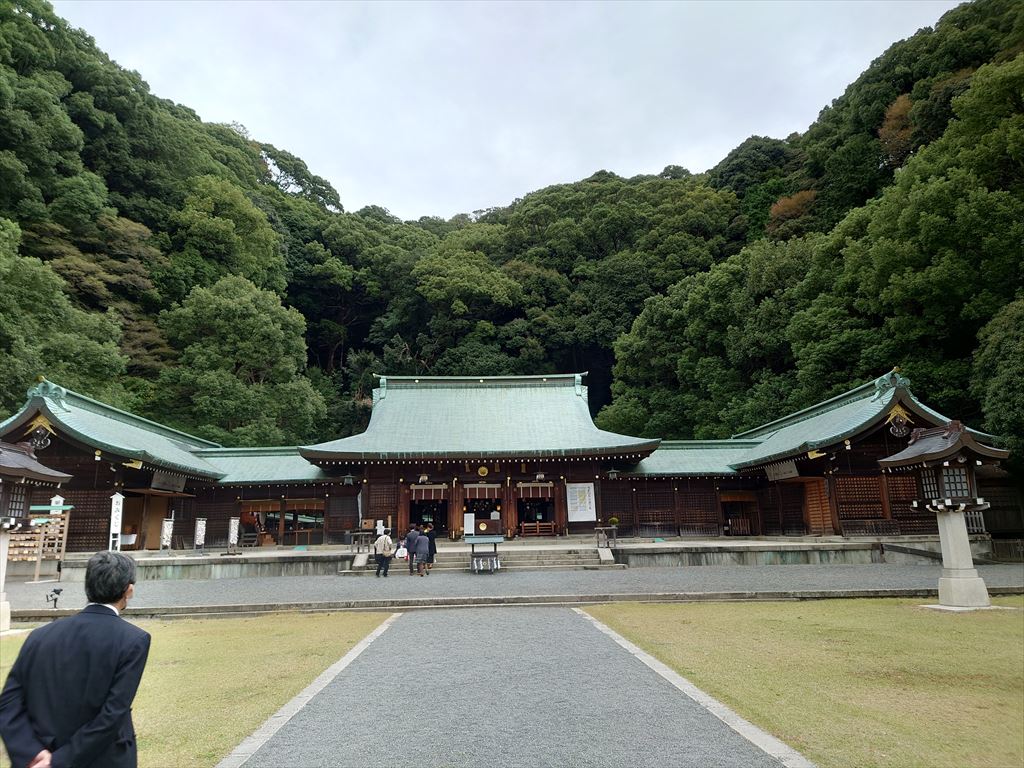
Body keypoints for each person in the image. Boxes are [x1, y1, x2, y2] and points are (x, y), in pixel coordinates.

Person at [0, 550, 151, 768]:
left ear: (87, 586)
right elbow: (112, 714)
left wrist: (32, 753)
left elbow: (9, 702)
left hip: (39, 755)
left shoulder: (40, 635)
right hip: (102, 759)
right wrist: (58, 761)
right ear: (129, 590)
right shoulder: (133, 640)